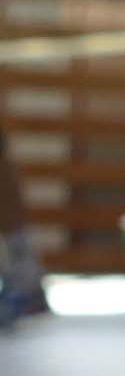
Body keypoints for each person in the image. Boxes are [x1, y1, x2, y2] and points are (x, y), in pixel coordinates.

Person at [0, 127, 48, 325]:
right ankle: (31, 293)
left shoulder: (5, 171)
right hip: (14, 229)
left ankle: (32, 294)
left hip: (14, 228)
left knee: (19, 252)